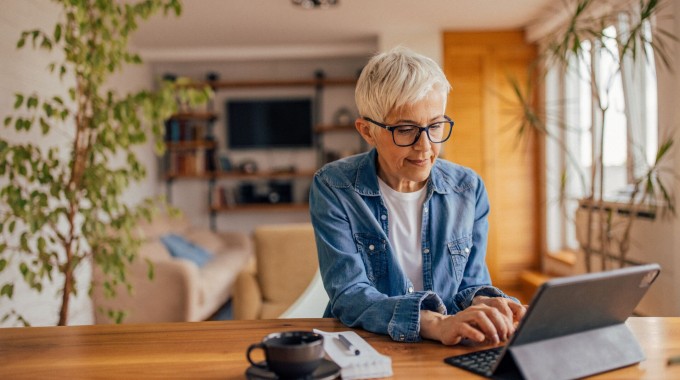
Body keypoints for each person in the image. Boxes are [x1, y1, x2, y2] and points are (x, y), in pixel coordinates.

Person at [309, 47, 526, 345]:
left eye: (435, 125)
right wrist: (434, 323)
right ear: (367, 131)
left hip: (446, 342)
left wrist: (488, 304)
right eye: (406, 129)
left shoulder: (468, 187)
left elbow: (471, 282)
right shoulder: (334, 186)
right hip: (365, 344)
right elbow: (349, 295)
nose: (425, 146)